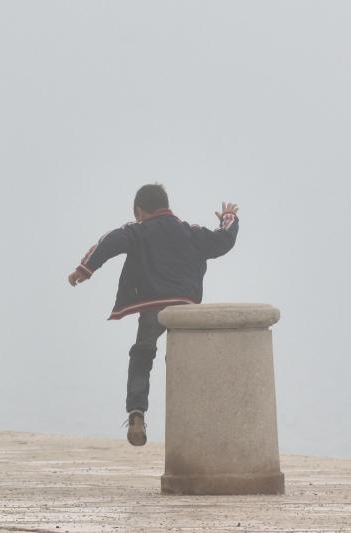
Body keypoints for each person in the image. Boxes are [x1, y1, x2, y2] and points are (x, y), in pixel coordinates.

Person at [67, 184, 238, 446]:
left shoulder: (137, 230)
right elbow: (222, 241)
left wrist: (84, 269)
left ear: (139, 211)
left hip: (153, 307)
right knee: (183, 358)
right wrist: (230, 218)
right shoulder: (189, 232)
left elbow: (109, 242)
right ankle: (192, 414)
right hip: (185, 307)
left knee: (142, 354)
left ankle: (137, 412)